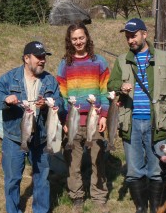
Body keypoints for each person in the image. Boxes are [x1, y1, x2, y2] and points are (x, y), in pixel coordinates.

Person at [107, 18, 166, 213]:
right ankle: (141, 207)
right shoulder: (122, 60)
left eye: (133, 36)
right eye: (127, 37)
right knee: (133, 171)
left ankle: (155, 207)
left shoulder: (164, 59)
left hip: (157, 123)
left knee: (156, 170)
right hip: (130, 123)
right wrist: (119, 87)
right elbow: (111, 84)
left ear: (144, 34)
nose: (130, 40)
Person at [0, 41, 64, 213]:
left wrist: (47, 104)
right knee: (12, 180)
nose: (42, 61)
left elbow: (61, 102)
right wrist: (5, 100)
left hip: (41, 139)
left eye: (44, 57)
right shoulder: (9, 78)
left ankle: (41, 210)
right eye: (38, 57)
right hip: (14, 139)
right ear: (26, 58)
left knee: (42, 179)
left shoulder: (50, 80)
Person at [56, 22, 110, 213]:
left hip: (95, 121)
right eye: (74, 39)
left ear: (87, 38)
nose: (78, 42)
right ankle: (77, 197)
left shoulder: (99, 62)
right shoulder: (65, 64)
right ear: (69, 41)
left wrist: (104, 115)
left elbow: (104, 92)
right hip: (73, 122)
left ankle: (99, 196)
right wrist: (63, 120)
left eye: (81, 37)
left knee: (98, 161)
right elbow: (61, 95)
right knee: (73, 163)